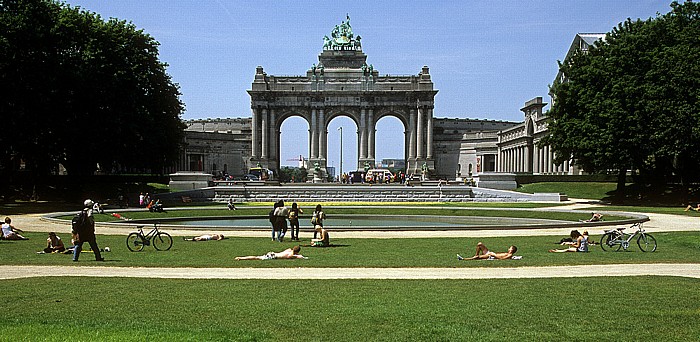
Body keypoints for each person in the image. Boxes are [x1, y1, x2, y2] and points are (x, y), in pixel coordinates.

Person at [235, 245, 307, 260]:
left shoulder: (289, 250)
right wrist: (304, 257)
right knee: (257, 258)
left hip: (273, 253)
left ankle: (241, 258)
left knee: (257, 257)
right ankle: (241, 258)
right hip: (273, 256)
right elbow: (299, 256)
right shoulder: (291, 255)